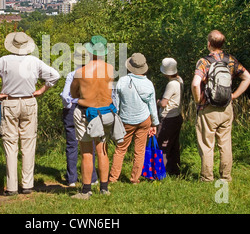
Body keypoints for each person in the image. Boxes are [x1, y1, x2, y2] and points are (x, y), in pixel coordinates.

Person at [0, 32, 60, 196]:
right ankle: (27, 185)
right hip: (29, 101)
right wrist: (42, 90)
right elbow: (55, 75)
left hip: (10, 102)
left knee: (10, 145)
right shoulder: (34, 61)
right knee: (28, 144)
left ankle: (11, 187)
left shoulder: (4, 61)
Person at [191, 30, 250, 182]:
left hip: (208, 109)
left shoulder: (204, 62)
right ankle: (225, 177)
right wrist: (234, 95)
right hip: (226, 108)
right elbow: (248, 78)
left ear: (209, 44)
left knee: (207, 144)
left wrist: (198, 100)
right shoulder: (231, 60)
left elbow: (195, 83)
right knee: (225, 144)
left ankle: (207, 177)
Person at [70, 35, 115, 199]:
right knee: (102, 150)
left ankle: (86, 190)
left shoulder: (80, 72)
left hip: (84, 112)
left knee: (87, 152)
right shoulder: (110, 70)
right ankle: (104, 188)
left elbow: (73, 93)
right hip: (104, 113)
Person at [109, 53, 159, 184]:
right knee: (140, 150)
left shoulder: (122, 81)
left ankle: (113, 178)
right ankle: (134, 179)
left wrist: (116, 118)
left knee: (120, 149)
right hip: (144, 119)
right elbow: (152, 106)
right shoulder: (148, 84)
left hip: (126, 120)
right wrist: (154, 123)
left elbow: (117, 103)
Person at [60, 46, 98, 187]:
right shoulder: (95, 74)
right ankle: (92, 178)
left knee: (72, 144)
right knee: (90, 144)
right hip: (90, 108)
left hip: (73, 108)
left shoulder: (72, 74)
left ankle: (72, 179)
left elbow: (65, 95)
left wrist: (68, 106)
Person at [156, 57, 183, 176]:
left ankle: (160, 171)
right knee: (174, 144)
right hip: (177, 116)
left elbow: (163, 103)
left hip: (168, 117)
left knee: (163, 144)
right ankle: (174, 169)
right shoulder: (180, 80)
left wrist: (157, 102)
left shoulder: (171, 84)